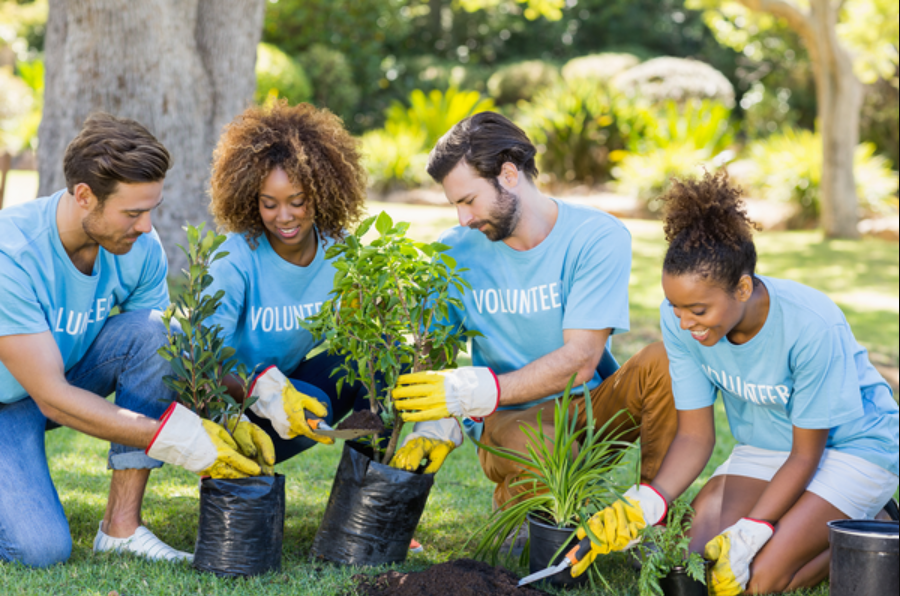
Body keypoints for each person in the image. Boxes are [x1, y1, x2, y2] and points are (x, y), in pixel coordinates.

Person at [570, 172, 899, 594]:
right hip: (767, 446)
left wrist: (753, 529)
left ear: (742, 288)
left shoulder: (810, 325)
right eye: (675, 307)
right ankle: (824, 520)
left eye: (698, 310)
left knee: (754, 578)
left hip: (852, 449)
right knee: (697, 561)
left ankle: (868, 527)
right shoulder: (681, 324)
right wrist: (645, 502)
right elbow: (694, 436)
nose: (685, 322)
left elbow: (805, 455)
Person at [0, 113, 271, 568]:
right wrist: (178, 438)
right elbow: (54, 400)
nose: (146, 226)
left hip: (48, 383)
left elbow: (161, 356)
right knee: (40, 551)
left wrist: (233, 408)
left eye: (150, 210)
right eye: (132, 212)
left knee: (155, 331)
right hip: (27, 396)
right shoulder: (12, 253)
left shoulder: (138, 250)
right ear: (84, 196)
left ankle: (121, 528)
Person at [389, 111, 678, 511]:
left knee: (664, 360)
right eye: (456, 205)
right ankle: (526, 501)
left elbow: (581, 361)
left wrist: (481, 388)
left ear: (509, 175)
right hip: (509, 419)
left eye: (469, 200)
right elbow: (433, 352)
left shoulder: (596, 237)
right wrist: (435, 426)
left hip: (588, 410)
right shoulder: (454, 251)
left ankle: (651, 515)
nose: (464, 218)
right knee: (552, 468)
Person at [204, 100, 380, 462]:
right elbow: (203, 361)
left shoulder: (341, 251)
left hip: (289, 388)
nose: (283, 217)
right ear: (251, 200)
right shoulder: (235, 258)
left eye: (297, 201)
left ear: (322, 192)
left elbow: (362, 338)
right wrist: (265, 397)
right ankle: (235, 463)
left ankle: (368, 483)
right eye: (269, 204)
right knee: (309, 408)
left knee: (383, 349)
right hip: (231, 399)